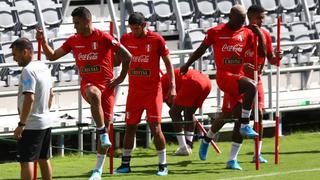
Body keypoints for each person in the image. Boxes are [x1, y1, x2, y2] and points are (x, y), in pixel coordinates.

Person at [36, 7, 132, 180]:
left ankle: (98, 169)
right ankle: (102, 132)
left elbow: (128, 56)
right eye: (73, 23)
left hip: (108, 88)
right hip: (88, 85)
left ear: (87, 21)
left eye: (77, 23)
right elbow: (52, 56)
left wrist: (120, 79)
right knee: (94, 94)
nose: (75, 27)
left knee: (106, 125)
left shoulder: (104, 37)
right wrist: (42, 41)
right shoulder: (73, 40)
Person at [180, 5, 266, 170]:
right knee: (247, 94)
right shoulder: (216, 32)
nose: (243, 23)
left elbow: (261, 54)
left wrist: (259, 34)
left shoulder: (247, 32)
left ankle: (230, 158)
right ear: (231, 16)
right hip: (225, 77)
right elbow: (201, 50)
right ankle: (243, 125)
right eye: (240, 20)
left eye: (244, 21)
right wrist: (187, 64)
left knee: (235, 117)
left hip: (239, 78)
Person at [114, 12, 176, 176]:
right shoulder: (125, 39)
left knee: (155, 128)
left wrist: (173, 87)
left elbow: (168, 64)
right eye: (132, 28)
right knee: (130, 127)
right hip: (134, 92)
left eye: (137, 28)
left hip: (153, 92)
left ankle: (163, 165)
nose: (134, 32)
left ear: (144, 25)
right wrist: (108, 47)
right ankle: (125, 164)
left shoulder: (156, 40)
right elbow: (116, 61)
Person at [242, 5, 282, 163]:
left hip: (256, 79)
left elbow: (271, 58)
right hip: (239, 79)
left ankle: (257, 153)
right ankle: (209, 138)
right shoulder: (241, 33)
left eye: (263, 17)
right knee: (231, 115)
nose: (262, 20)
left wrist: (278, 57)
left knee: (260, 112)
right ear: (250, 16)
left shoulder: (265, 34)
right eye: (259, 17)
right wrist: (243, 66)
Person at [12, 37, 54, 180]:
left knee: (26, 162)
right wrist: (45, 111)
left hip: (32, 124)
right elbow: (51, 94)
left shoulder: (28, 71)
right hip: (46, 121)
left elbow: (29, 98)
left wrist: (21, 124)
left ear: (25, 52)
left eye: (15, 55)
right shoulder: (43, 66)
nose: (14, 59)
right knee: (44, 159)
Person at [161, 68, 211, 156]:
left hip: (193, 82)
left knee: (173, 113)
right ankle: (188, 145)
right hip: (206, 82)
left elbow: (172, 106)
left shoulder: (158, 87)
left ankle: (183, 147)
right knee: (189, 112)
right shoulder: (164, 81)